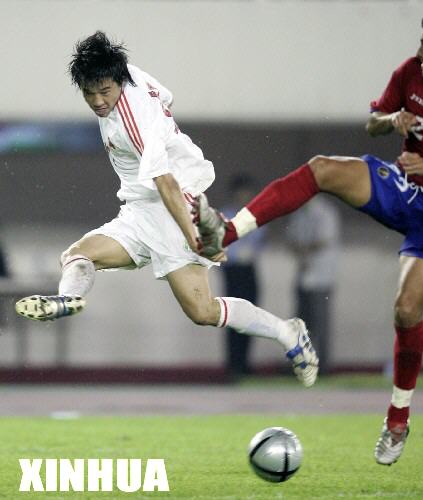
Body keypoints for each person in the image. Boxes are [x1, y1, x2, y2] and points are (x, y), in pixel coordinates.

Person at [194, 9, 423, 465]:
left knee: (407, 310)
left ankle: (397, 418)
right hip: (405, 186)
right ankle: (228, 232)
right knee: (322, 169)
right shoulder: (410, 72)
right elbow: (373, 121)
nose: (419, 51)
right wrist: (392, 120)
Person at [14, 31, 318, 388]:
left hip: (173, 206)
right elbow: (165, 95)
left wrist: (197, 238)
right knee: (77, 255)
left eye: (104, 91)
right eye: (89, 93)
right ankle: (68, 299)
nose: (97, 101)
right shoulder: (126, 73)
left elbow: (167, 184)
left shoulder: (134, 122)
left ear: (118, 81)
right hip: (139, 209)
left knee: (202, 311)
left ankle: (287, 332)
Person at [286, 197, 340, 375]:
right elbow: (291, 239)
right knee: (301, 323)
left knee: (320, 323)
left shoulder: (326, 213)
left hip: (321, 277)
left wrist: (304, 251)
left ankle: (322, 366)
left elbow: (324, 240)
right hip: (303, 275)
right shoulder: (298, 214)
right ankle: (300, 364)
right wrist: (301, 252)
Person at [220, 174, 266, 377]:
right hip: (233, 270)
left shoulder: (255, 214)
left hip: (249, 269)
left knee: (250, 317)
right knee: (233, 318)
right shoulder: (225, 216)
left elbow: (259, 241)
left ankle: (245, 363)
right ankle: (233, 364)